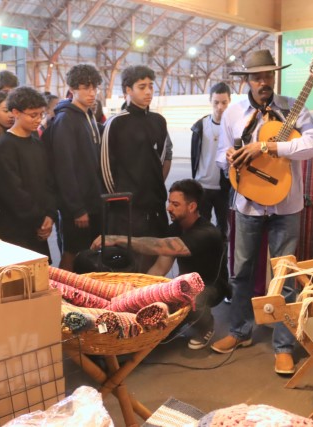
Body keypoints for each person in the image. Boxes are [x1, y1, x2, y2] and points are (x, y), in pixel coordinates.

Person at [211, 49, 313, 376]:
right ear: (247, 80)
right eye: (257, 77)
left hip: (286, 205)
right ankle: (239, 330)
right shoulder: (233, 112)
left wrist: (271, 146)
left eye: (268, 76)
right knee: (241, 271)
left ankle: (284, 346)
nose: (263, 82)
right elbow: (220, 153)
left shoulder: (292, 108)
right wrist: (228, 157)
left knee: (284, 276)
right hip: (247, 203)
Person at [92, 179, 228, 350]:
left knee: (192, 298)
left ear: (192, 207)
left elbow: (161, 246)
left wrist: (117, 239)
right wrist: (139, 292)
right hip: (184, 285)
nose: (169, 208)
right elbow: (160, 268)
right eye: (169, 202)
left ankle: (206, 326)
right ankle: (185, 317)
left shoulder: (206, 233)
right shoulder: (176, 228)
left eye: (175, 204)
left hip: (211, 287)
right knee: (161, 332)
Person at [100, 65, 171, 272]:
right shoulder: (115, 123)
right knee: (128, 263)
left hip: (154, 205)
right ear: (128, 90)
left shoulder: (159, 121)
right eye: (142, 87)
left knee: (154, 258)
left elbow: (161, 160)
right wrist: (120, 199)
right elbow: (106, 169)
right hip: (127, 208)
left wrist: (155, 191)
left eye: (151, 86)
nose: (148, 91)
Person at [42, 64, 103, 271]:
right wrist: (77, 209)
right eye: (86, 87)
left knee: (88, 254)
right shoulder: (66, 119)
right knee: (72, 253)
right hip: (77, 207)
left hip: (92, 201)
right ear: (72, 89)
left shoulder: (88, 115)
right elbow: (64, 168)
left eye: (94, 87)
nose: (92, 93)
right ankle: (59, 290)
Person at [0, 87, 57, 259]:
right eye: (33, 115)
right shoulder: (6, 146)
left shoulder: (36, 141)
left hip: (39, 223)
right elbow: (13, 192)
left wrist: (50, 215)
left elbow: (49, 181)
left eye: (41, 114)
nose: (38, 120)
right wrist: (39, 220)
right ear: (16, 112)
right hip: (16, 229)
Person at [190, 82, 231, 239]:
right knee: (202, 231)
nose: (220, 107)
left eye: (224, 102)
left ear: (229, 101)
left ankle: (222, 255)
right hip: (202, 186)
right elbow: (194, 155)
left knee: (223, 230)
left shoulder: (233, 127)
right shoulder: (200, 126)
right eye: (216, 102)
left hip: (224, 188)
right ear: (210, 101)